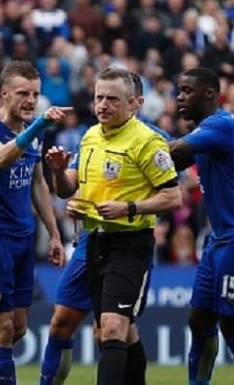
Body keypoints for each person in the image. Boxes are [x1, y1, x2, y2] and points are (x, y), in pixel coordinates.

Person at [46, 67, 181, 385]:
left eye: (112, 99)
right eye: (99, 98)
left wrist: (129, 208)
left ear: (134, 103)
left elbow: (173, 198)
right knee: (121, 330)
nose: (103, 105)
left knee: (111, 328)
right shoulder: (91, 135)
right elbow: (68, 189)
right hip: (93, 242)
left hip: (131, 244)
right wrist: (58, 172)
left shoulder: (149, 142)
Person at [0, 60, 67, 385]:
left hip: (24, 237)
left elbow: (38, 184)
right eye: (23, 93)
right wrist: (38, 127)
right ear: (4, 94)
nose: (31, 101)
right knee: (2, 329)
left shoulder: (30, 131)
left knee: (17, 328)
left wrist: (54, 234)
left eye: (35, 93)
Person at [169, 67, 234, 385]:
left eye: (187, 91)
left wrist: (131, 143)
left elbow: (172, 153)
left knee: (233, 325)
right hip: (219, 241)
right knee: (199, 319)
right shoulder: (208, 133)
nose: (179, 97)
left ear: (210, 94)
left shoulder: (222, 124)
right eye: (179, 90)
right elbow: (173, 161)